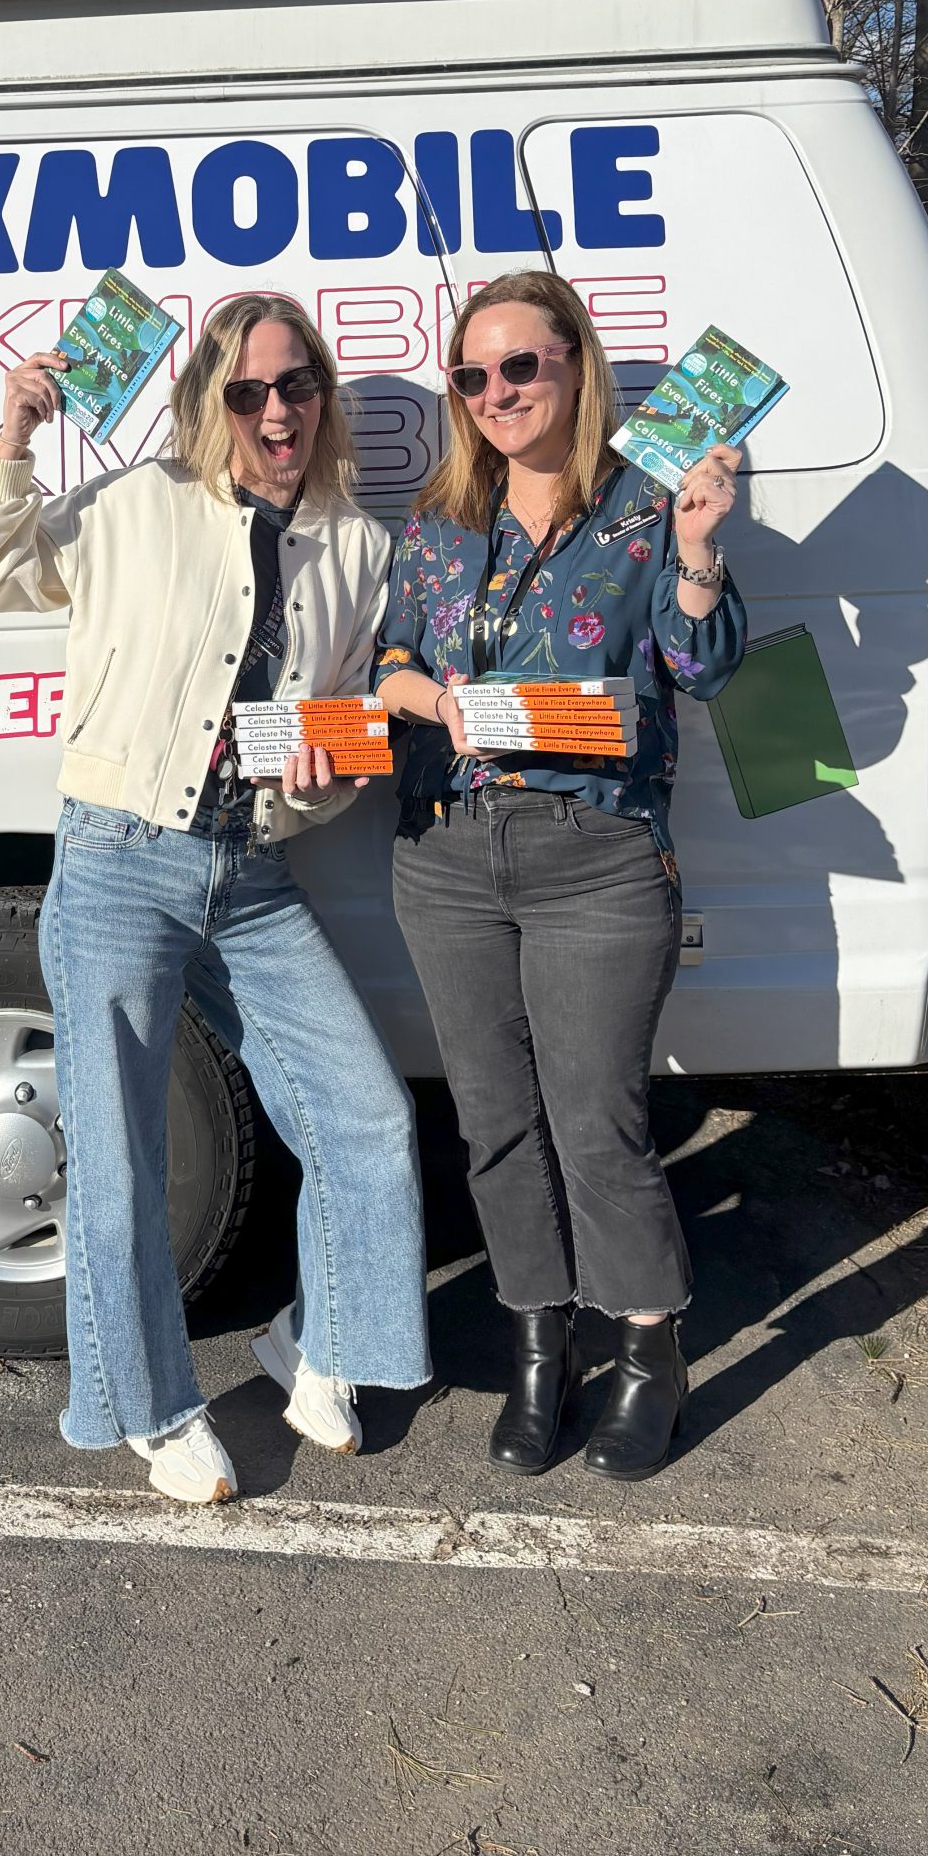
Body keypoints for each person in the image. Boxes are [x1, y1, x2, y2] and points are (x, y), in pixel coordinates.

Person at [0, 294, 431, 1505]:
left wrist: (323, 777)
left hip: (255, 873)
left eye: (298, 387)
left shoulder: (358, 546)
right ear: (209, 401)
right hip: (118, 856)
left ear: (322, 397)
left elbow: (345, 735)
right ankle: (149, 1406)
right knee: (117, 1155)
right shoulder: (139, 503)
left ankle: (318, 1350)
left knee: (364, 1117)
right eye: (250, 391)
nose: (278, 412)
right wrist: (12, 437)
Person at [374, 271, 745, 1482]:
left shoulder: (645, 511)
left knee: (598, 1125)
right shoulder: (436, 523)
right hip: (445, 853)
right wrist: (442, 703)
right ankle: (541, 1345)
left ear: (576, 366)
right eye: (472, 376)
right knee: (492, 1122)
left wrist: (697, 552)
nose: (495, 394)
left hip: (596, 857)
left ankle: (648, 1347)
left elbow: (702, 669)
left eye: (520, 367)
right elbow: (387, 660)